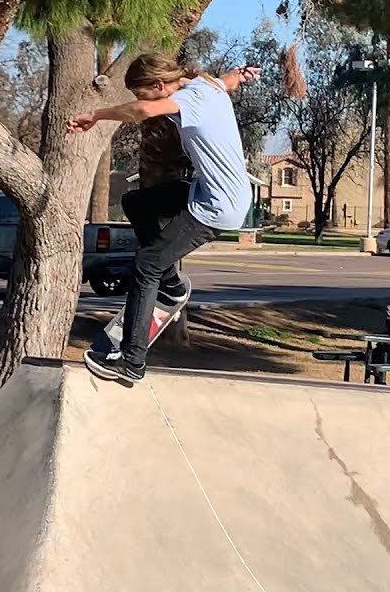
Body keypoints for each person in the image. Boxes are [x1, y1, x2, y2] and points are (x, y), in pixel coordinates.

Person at [67, 54, 261, 383]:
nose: (142, 102)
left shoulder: (190, 96)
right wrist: (240, 76)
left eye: (144, 93)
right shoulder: (206, 83)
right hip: (206, 190)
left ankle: (131, 361)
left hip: (219, 204)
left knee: (147, 264)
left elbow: (143, 111)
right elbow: (227, 82)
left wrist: (97, 115)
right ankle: (170, 287)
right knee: (136, 203)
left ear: (159, 86)